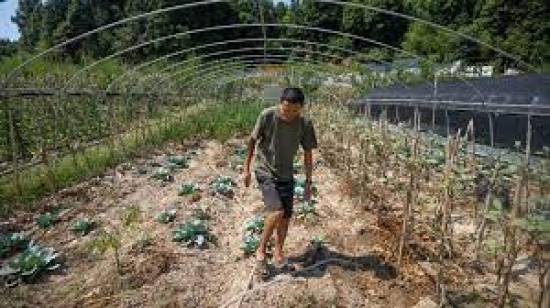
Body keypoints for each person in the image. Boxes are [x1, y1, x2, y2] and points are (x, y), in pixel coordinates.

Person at [242, 87, 318, 270]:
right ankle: (260, 250)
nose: (289, 114)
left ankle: (278, 250)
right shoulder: (267, 116)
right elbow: (252, 141)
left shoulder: (304, 124)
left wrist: (308, 181)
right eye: (286, 109)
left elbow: (308, 153)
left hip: (286, 173)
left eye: (294, 110)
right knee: (276, 210)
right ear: (280, 103)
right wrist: (246, 169)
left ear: (301, 108)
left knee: (285, 216)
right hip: (265, 170)